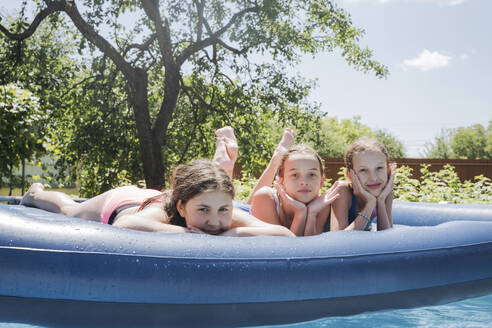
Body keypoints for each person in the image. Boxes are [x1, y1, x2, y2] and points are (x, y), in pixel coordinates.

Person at [20, 160, 294, 237]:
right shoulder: (161, 216)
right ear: (181, 208)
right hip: (123, 203)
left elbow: (283, 235)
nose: (214, 221)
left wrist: (232, 235)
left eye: (223, 209)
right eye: (203, 210)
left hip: (157, 196)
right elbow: (125, 226)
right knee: (69, 210)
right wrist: (189, 233)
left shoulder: (222, 214)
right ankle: (36, 193)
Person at [330, 137, 396, 232]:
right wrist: (370, 204)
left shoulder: (385, 192)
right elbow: (338, 241)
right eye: (363, 170)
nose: (373, 178)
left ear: (388, 170)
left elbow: (387, 238)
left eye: (379, 168)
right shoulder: (342, 191)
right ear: (350, 175)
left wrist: (380, 201)